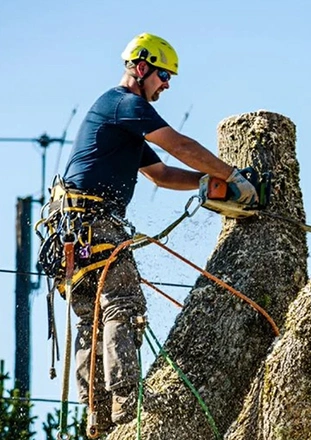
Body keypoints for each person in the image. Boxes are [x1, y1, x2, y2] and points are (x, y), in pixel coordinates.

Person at [49, 32, 258, 435]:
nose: (167, 84)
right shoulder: (126, 104)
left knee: (91, 319)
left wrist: (205, 183)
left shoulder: (115, 116)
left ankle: (98, 416)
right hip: (93, 222)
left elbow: (160, 174)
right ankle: (128, 407)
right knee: (122, 306)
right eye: (164, 75)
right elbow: (177, 144)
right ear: (141, 68)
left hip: (70, 231)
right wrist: (230, 175)